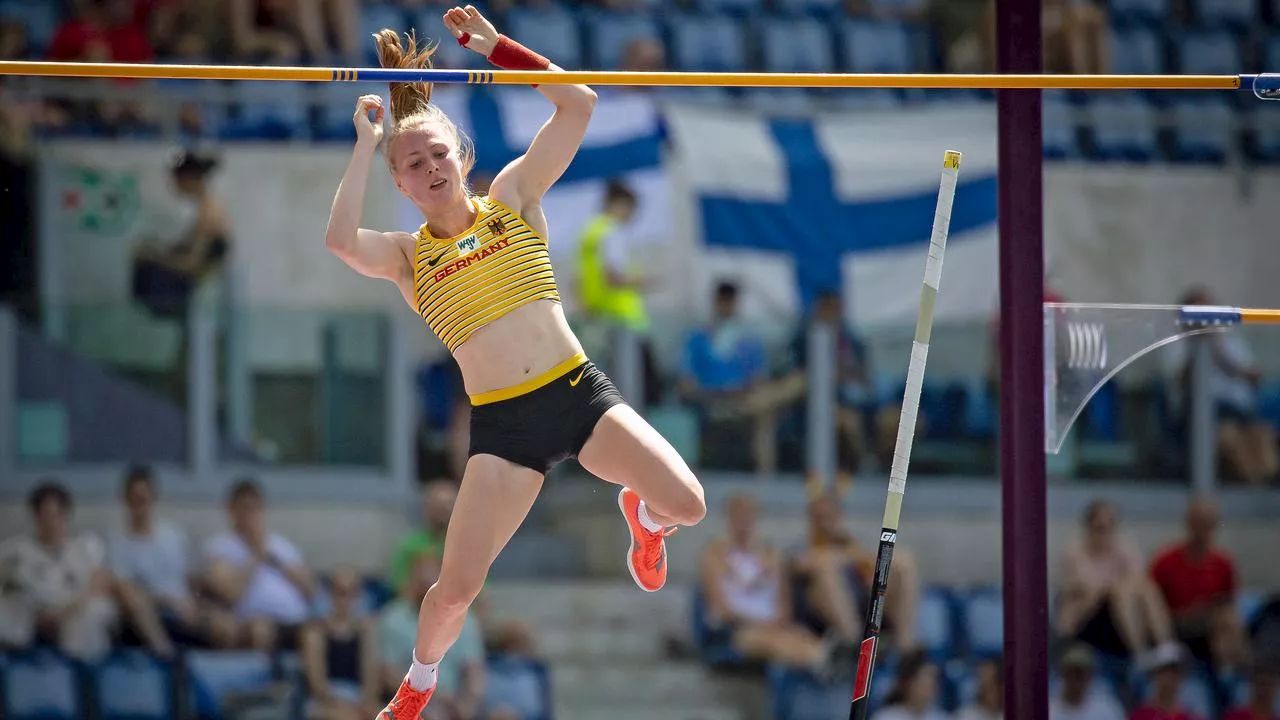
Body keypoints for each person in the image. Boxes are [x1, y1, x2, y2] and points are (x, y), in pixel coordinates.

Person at [322, 7, 706, 717]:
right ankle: (419, 682)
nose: (430, 167)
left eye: (438, 153)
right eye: (412, 164)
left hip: (579, 396)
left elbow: (579, 103)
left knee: (688, 503)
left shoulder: (512, 200)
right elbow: (342, 240)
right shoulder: (410, 258)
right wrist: (364, 143)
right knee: (454, 591)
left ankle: (646, 522)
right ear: (401, 186)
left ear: (461, 156)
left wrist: (499, 48)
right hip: (504, 432)